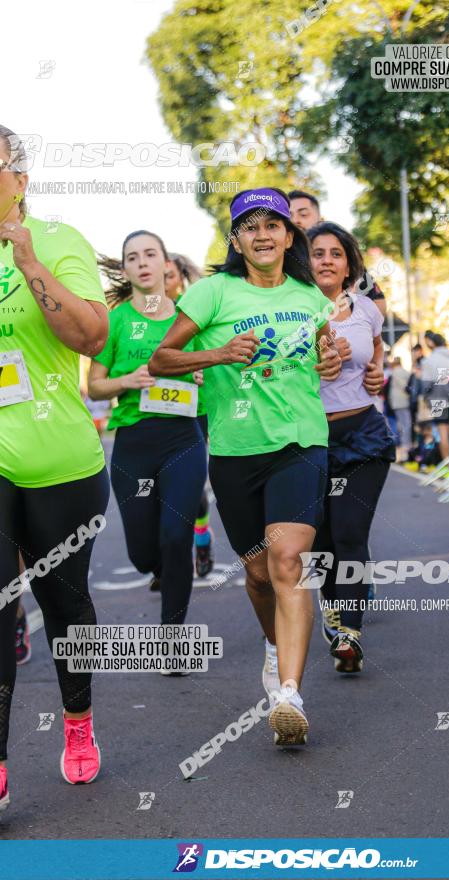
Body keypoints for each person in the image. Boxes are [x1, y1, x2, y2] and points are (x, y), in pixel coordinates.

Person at [149, 187, 342, 745]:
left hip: (302, 442)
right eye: (250, 226)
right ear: (235, 240)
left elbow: (326, 356)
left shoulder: (310, 296)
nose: (262, 234)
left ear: (289, 236)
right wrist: (219, 354)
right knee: (258, 573)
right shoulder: (212, 293)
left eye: (273, 225)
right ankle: (274, 645)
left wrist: (332, 357)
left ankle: (289, 693)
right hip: (236, 450)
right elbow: (162, 359)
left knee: (289, 562)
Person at [0, 126, 110, 807]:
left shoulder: (57, 240)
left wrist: (29, 261)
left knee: (64, 606)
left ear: (20, 175)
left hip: (59, 460)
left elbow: (89, 335)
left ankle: (76, 719)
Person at [88, 231, 207, 655]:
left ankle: (173, 640)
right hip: (134, 443)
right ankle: (166, 568)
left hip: (182, 439)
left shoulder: (190, 317)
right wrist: (128, 380)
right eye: (132, 258)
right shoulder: (115, 320)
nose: (142, 263)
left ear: (164, 265)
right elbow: (95, 386)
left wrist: (200, 374)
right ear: (125, 270)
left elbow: (215, 374)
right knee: (143, 553)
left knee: (177, 536)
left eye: (150, 255)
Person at [307, 221, 395, 672]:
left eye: (335, 253)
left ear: (348, 265)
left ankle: (350, 634)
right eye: (317, 252)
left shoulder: (366, 310)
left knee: (349, 533)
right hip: (307, 441)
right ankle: (333, 610)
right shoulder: (289, 310)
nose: (326, 260)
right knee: (320, 540)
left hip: (361, 434)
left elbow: (377, 351)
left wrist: (377, 373)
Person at [164, 254, 213, 578]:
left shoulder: (194, 311)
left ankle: (202, 538)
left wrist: (201, 372)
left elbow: (214, 352)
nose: (163, 281)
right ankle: (164, 560)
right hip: (153, 413)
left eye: (169, 275)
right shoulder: (136, 314)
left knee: (192, 489)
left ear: (180, 278)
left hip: (195, 410)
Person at [288, 188, 387, 317]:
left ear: (320, 220)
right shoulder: (278, 261)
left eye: (304, 214)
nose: (296, 221)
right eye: (289, 216)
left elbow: (378, 302)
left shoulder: (343, 261)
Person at [421, 332, 449, 460]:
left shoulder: (430, 360)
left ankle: (447, 464)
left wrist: (425, 397)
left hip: (437, 399)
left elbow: (427, 385)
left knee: (442, 432)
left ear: (432, 343)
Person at [387, 357, 412, 462]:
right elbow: (406, 386)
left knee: (400, 423)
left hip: (396, 402)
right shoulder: (405, 372)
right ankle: (406, 445)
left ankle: (402, 446)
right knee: (406, 423)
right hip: (404, 400)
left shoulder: (393, 373)